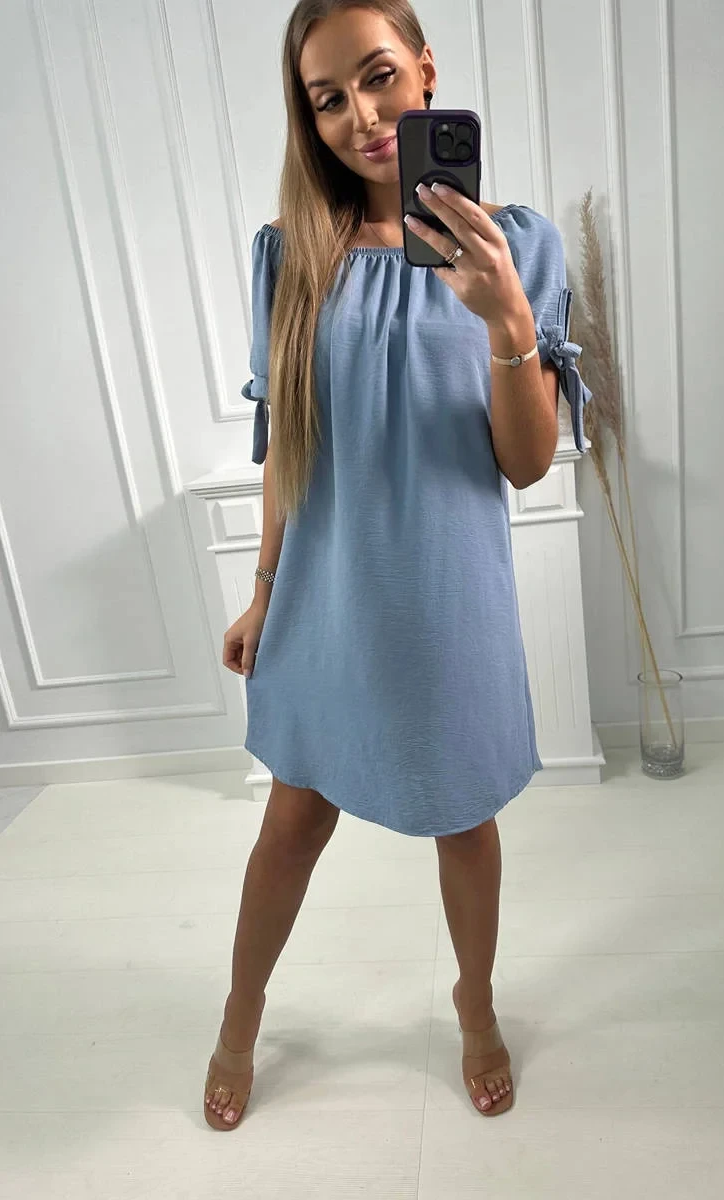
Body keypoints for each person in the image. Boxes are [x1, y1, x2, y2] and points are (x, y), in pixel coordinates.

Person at [206, 0, 590, 1130]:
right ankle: (240, 1013)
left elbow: (525, 464)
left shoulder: (518, 243)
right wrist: (263, 592)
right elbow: (286, 446)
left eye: (378, 77)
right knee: (291, 822)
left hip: (447, 592)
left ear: (426, 70)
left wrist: (506, 321)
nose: (362, 116)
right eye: (328, 98)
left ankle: (473, 1004)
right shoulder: (292, 255)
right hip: (326, 594)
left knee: (462, 816)